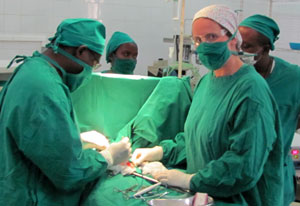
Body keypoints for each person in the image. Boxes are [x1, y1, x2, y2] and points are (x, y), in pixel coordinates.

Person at [131, 5, 284, 206]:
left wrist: (189, 180)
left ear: (233, 39)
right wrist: (160, 151)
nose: (203, 46)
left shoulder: (251, 91)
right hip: (205, 197)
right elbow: (197, 138)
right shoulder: (205, 82)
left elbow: (244, 164)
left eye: (211, 37)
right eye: (198, 40)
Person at [0, 18, 131, 205]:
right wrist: (109, 156)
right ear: (81, 51)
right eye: (94, 62)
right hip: (30, 197)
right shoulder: (45, 88)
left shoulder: (32, 69)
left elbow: (33, 135)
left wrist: (74, 139)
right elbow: (69, 172)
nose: (90, 70)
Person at [239, 14, 300, 205]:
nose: (240, 51)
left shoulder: (293, 79)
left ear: (265, 49)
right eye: (237, 44)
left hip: (274, 175)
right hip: (238, 171)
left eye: (247, 47)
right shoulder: (234, 75)